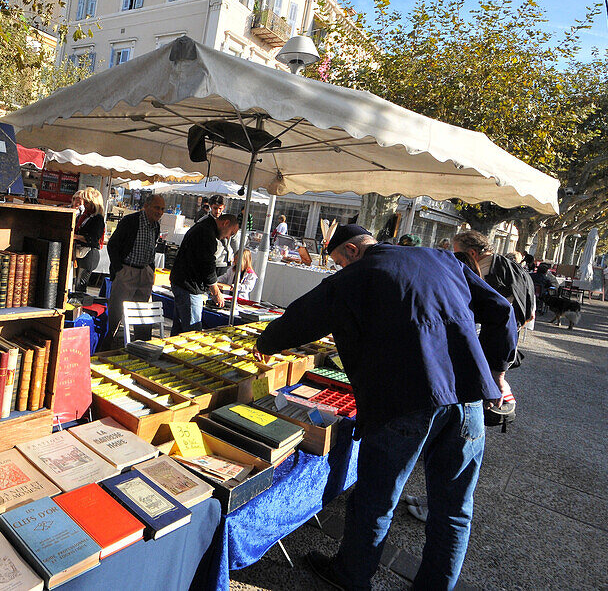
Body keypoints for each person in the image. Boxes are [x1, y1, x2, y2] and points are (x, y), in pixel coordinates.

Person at [255, 224, 516, 590]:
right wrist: (496, 370)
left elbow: (301, 319)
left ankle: (351, 576)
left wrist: (266, 341)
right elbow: (502, 310)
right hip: (467, 397)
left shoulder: (355, 277)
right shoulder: (442, 259)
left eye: (338, 262)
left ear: (350, 252)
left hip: (404, 401)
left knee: (376, 500)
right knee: (455, 509)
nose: (339, 270)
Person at [105, 195, 166, 343]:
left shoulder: (155, 226)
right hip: (127, 271)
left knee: (142, 313)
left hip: (145, 272)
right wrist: (119, 269)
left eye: (162, 209)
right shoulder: (131, 221)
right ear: (146, 206)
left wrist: (150, 271)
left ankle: (141, 345)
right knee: (116, 312)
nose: (160, 212)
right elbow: (112, 245)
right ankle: (108, 344)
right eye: (157, 208)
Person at [169, 213, 240, 334]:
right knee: (192, 331)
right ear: (226, 223)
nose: (228, 237)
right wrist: (216, 291)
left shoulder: (205, 228)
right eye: (231, 233)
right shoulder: (206, 233)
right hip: (189, 286)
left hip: (183, 282)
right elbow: (207, 265)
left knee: (180, 327)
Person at [453, 230, 536, 332]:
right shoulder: (510, 266)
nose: (455, 259)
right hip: (510, 329)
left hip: (488, 333)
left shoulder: (484, 273)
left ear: (472, 253)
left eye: (457, 255)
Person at [71, 187, 105, 293]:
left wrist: (76, 236)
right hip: (81, 252)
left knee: (80, 285)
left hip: (89, 254)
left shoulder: (97, 219)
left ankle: (80, 307)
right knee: (76, 284)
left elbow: (94, 239)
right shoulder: (85, 216)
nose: (84, 205)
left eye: (86, 203)